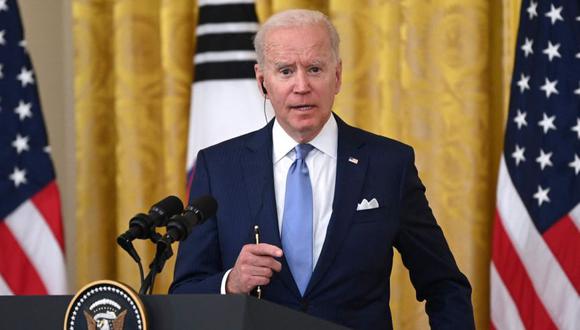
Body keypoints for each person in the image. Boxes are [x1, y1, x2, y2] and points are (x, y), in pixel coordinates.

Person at [170, 9, 474, 329]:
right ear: (263, 81)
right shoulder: (218, 168)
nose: (302, 86)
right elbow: (184, 294)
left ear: (337, 75)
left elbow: (444, 285)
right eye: (286, 71)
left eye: (315, 68)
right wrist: (230, 283)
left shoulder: (388, 165)